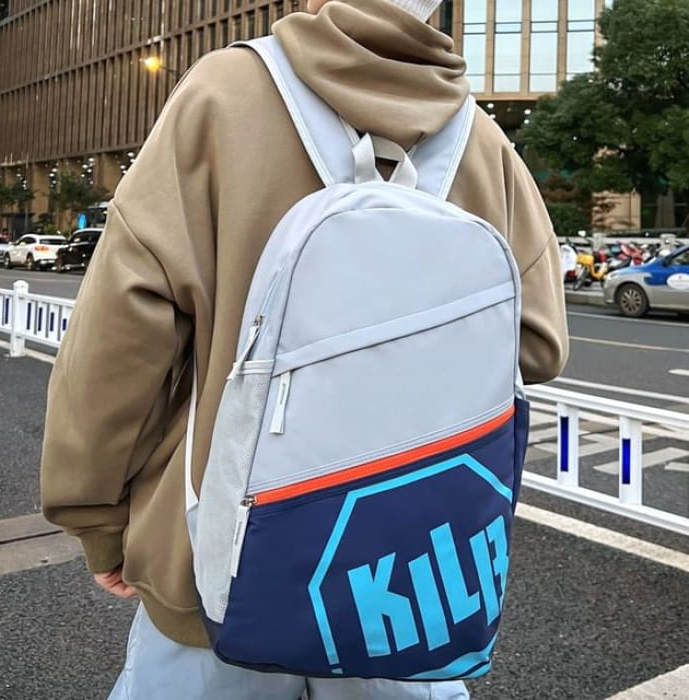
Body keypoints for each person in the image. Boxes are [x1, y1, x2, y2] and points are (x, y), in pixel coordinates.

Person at [41, 0, 569, 697]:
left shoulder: (221, 96)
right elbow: (538, 345)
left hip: (218, 562)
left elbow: (119, 340)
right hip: (406, 585)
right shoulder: (481, 140)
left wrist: (98, 519)